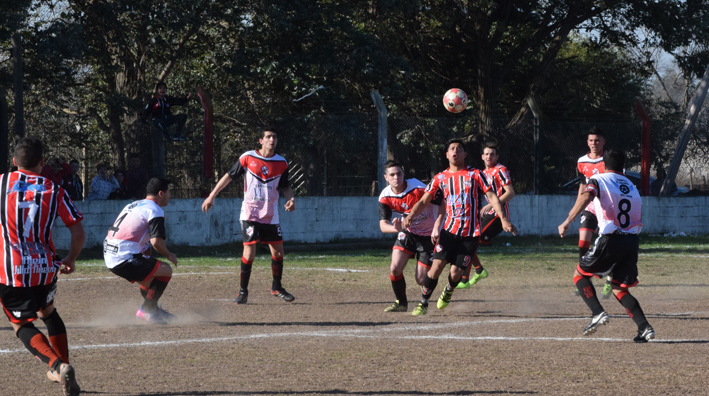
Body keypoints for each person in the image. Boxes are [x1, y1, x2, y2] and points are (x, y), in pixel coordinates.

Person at [0, 137, 85, 396]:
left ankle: (58, 367)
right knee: (48, 312)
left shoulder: (1, 184)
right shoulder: (54, 188)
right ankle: (64, 368)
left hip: (11, 269)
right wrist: (70, 258)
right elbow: (78, 231)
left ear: (14, 162)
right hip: (44, 266)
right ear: (42, 162)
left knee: (21, 324)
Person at [403, 139, 516, 316]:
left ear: (465, 154)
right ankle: (423, 302)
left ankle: (449, 289)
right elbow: (424, 200)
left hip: (470, 234)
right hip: (448, 232)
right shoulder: (440, 178)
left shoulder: (476, 174)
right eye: (452, 149)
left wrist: (503, 219)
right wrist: (410, 216)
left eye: (459, 149)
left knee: (455, 274)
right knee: (436, 267)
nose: (455, 151)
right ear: (447, 155)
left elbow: (493, 197)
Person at [559, 149, 655, 343]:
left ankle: (597, 313)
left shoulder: (599, 179)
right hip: (632, 241)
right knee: (619, 288)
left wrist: (568, 220)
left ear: (603, 165)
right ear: (623, 167)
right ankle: (644, 328)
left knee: (579, 274)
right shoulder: (631, 185)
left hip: (612, 239)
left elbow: (586, 196)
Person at [202, 128, 296, 304]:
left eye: (274, 136)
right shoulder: (248, 157)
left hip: (270, 214)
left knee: (278, 252)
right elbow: (228, 177)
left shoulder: (281, 162)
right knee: (249, 251)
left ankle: (277, 287)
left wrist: (291, 199)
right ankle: (243, 291)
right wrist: (211, 195)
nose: (272, 139)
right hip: (250, 213)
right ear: (260, 140)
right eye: (268, 137)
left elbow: (285, 186)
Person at [103, 177, 178, 324]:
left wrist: (143, 248)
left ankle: (153, 308)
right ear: (161, 193)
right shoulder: (155, 210)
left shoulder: (134, 204)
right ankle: (147, 310)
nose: (171, 195)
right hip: (123, 257)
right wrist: (169, 255)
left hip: (110, 254)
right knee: (166, 270)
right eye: (169, 192)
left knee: (151, 281)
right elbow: (156, 242)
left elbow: (130, 231)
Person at [378, 160, 443, 312]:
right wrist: (397, 229)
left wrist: (437, 226)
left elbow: (442, 203)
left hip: (428, 236)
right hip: (408, 233)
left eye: (399, 174)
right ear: (385, 177)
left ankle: (424, 302)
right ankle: (401, 304)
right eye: (392, 175)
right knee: (394, 268)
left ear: (404, 174)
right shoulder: (385, 197)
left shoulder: (418, 188)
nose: (396, 177)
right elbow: (383, 226)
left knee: (421, 279)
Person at [457, 142, 516, 289]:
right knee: (467, 242)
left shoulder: (500, 169)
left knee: (469, 242)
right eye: (486, 154)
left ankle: (465, 279)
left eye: (492, 154)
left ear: (497, 156)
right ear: (482, 156)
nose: (489, 156)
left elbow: (510, 192)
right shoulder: (482, 173)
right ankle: (478, 271)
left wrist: (491, 205)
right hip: (486, 214)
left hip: (496, 215)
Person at [575, 127, 612, 298]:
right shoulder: (582, 161)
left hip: (606, 208)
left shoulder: (610, 159)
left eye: (597, 140)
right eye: (591, 140)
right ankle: (585, 277)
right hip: (589, 208)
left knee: (609, 246)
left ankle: (611, 278)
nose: (593, 143)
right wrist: (577, 207)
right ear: (587, 142)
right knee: (583, 243)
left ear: (603, 142)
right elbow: (583, 185)